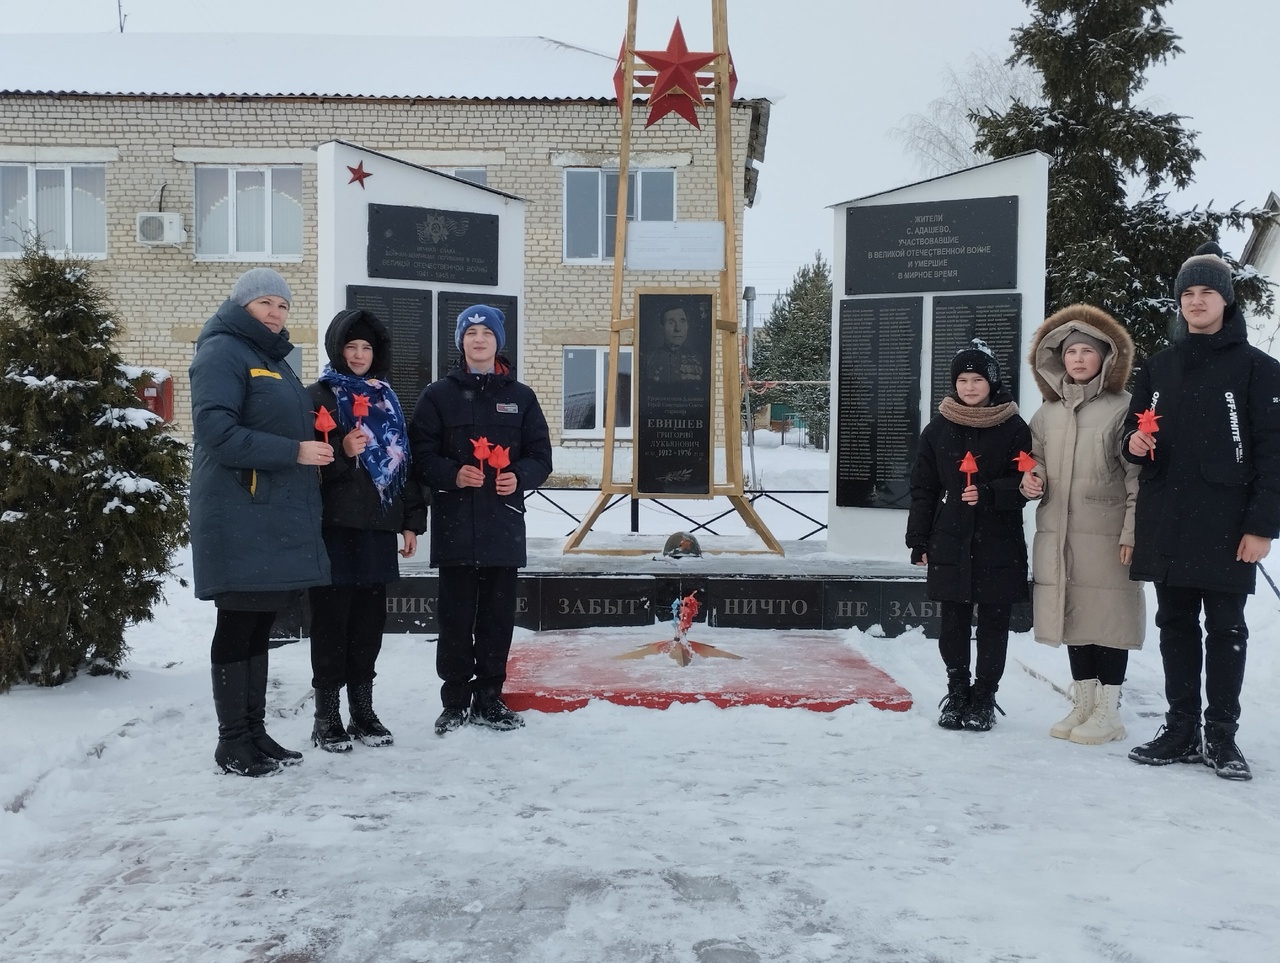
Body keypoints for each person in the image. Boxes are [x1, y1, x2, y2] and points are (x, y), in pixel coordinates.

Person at [1123, 242, 1280, 781]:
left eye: (1206, 292)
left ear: (1226, 300)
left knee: (1227, 628)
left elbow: (1273, 453)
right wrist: (1133, 445)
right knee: (1174, 625)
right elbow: (1135, 428)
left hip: (1226, 523)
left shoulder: (1260, 369)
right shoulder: (1159, 365)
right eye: (1187, 293)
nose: (1195, 301)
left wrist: (1262, 526)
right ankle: (1181, 727)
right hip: (1167, 516)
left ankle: (1222, 735)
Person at [189, 268, 333, 777]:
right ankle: (232, 742)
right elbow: (215, 431)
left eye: (283, 305)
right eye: (266, 303)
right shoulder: (222, 351)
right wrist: (294, 450)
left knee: (258, 624)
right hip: (235, 512)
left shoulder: (272, 359)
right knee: (237, 622)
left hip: (264, 511)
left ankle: (253, 732)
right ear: (243, 306)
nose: (276, 313)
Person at [408, 304, 552, 735]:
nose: (478, 339)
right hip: (455, 528)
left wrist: (519, 476)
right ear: (460, 342)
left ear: (497, 341)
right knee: (454, 618)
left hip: (502, 526)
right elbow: (420, 456)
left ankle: (490, 697)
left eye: (486, 332)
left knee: (496, 618)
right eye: (470, 332)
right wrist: (452, 474)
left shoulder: (520, 397)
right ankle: (454, 700)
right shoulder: (438, 396)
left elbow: (541, 456)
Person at [1020, 305, 1144, 745]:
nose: (1077, 359)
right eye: (1070, 351)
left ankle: (1110, 710)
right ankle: (1085, 703)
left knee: (1108, 617)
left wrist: (1132, 532)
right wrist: (1029, 477)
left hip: (1107, 533)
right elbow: (1033, 459)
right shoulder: (1047, 413)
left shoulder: (1125, 407)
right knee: (1073, 614)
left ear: (1106, 358)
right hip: (1059, 532)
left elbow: (1137, 475)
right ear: (1057, 359)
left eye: (1086, 351)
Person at [306, 309, 428, 752]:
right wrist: (341, 450)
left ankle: (362, 709)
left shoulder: (388, 399)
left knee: (368, 624)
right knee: (332, 622)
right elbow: (304, 468)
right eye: (351, 347)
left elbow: (405, 463)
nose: (358, 355)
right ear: (338, 349)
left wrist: (412, 521)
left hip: (378, 529)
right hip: (334, 530)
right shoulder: (317, 396)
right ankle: (326, 716)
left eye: (366, 348)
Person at [906, 339, 1030, 731]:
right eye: (963, 379)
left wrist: (992, 492)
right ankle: (957, 691)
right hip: (951, 536)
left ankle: (985, 697)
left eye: (978, 379)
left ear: (991, 383)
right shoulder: (938, 428)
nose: (970, 387)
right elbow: (923, 487)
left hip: (1000, 539)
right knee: (954, 621)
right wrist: (919, 539)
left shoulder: (1013, 427)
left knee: (994, 622)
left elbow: (1025, 481)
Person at [643, 303, 704, 384]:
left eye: (682, 321)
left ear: (688, 326)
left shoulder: (700, 359)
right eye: (671, 322)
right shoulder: (648, 359)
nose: (678, 329)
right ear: (662, 328)